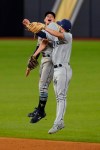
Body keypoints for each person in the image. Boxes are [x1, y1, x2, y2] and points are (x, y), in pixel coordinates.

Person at [31, 19, 73, 134]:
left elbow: (57, 34)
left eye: (59, 25)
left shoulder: (68, 36)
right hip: (56, 70)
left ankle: (58, 123)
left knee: (61, 97)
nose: (58, 26)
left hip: (63, 70)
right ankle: (60, 122)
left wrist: (44, 27)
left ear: (62, 27)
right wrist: (30, 26)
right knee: (59, 98)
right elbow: (44, 35)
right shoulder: (56, 37)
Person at [23, 12, 59, 123]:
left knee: (43, 86)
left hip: (50, 60)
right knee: (41, 86)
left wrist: (30, 27)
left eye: (51, 17)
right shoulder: (43, 30)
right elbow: (39, 47)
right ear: (44, 19)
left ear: (54, 20)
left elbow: (44, 37)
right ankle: (39, 108)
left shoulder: (54, 31)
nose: (49, 18)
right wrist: (31, 62)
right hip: (44, 59)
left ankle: (41, 112)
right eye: (47, 17)